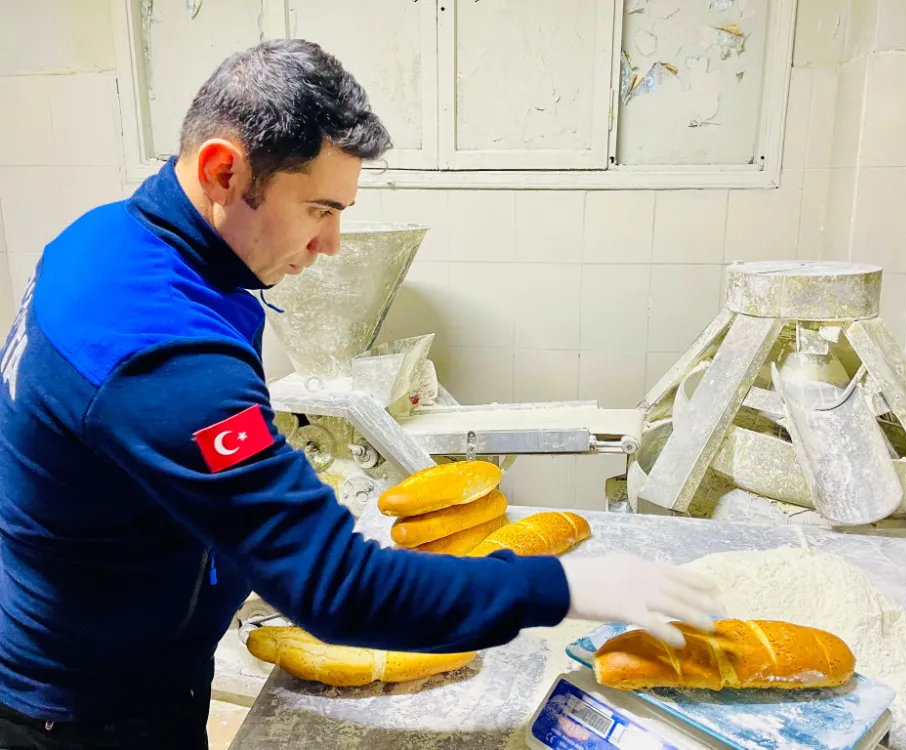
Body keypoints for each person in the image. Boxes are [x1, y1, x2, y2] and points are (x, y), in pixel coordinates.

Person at [0, 39, 721, 749]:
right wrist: (566, 588)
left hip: (98, 629)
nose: (331, 243)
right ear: (223, 171)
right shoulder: (165, 354)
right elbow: (340, 590)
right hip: (86, 710)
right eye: (319, 209)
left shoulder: (106, 239)